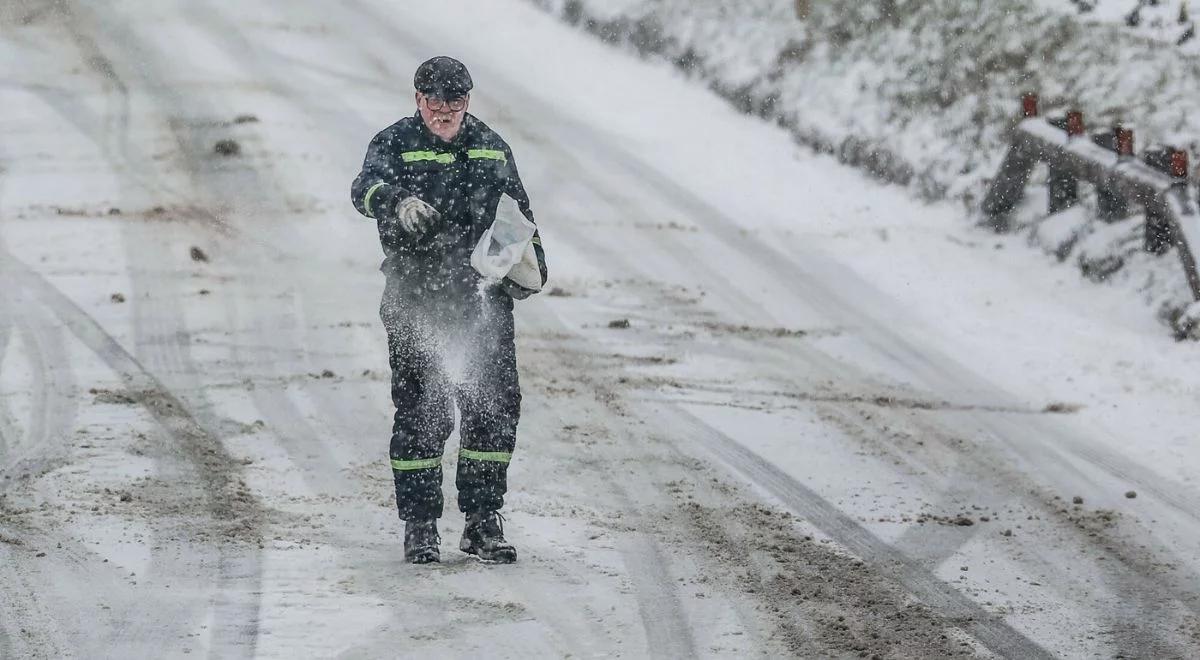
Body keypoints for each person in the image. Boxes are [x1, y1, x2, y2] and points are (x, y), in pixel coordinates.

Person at [350, 56, 548, 564]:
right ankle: (421, 527)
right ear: (418, 99)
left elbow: (519, 217)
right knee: (423, 411)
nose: (444, 111)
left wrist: (532, 266)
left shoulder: (491, 147)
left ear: (467, 101)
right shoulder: (395, 143)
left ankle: (482, 522)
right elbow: (363, 188)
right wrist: (395, 200)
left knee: (493, 411)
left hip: (482, 302)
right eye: (434, 101)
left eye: (454, 101)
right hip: (417, 301)